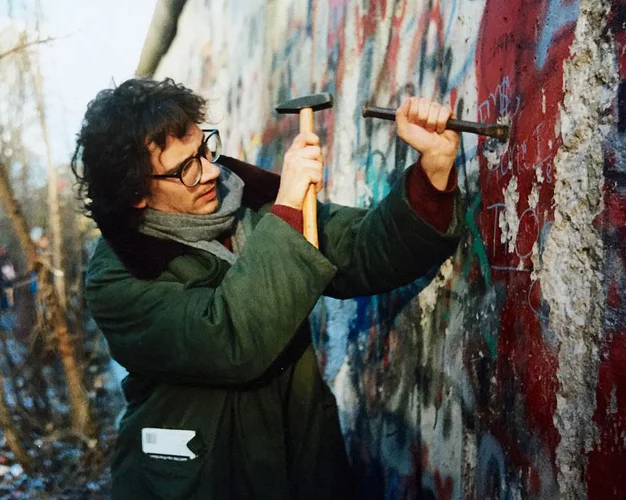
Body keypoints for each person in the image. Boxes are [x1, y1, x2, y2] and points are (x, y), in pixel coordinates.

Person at [72, 78, 465, 499]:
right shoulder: (118, 277)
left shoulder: (249, 202)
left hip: (304, 469)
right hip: (197, 484)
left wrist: (434, 173)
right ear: (136, 195)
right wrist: (290, 208)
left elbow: (362, 250)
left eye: (204, 149)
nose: (209, 171)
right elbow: (229, 339)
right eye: (185, 168)